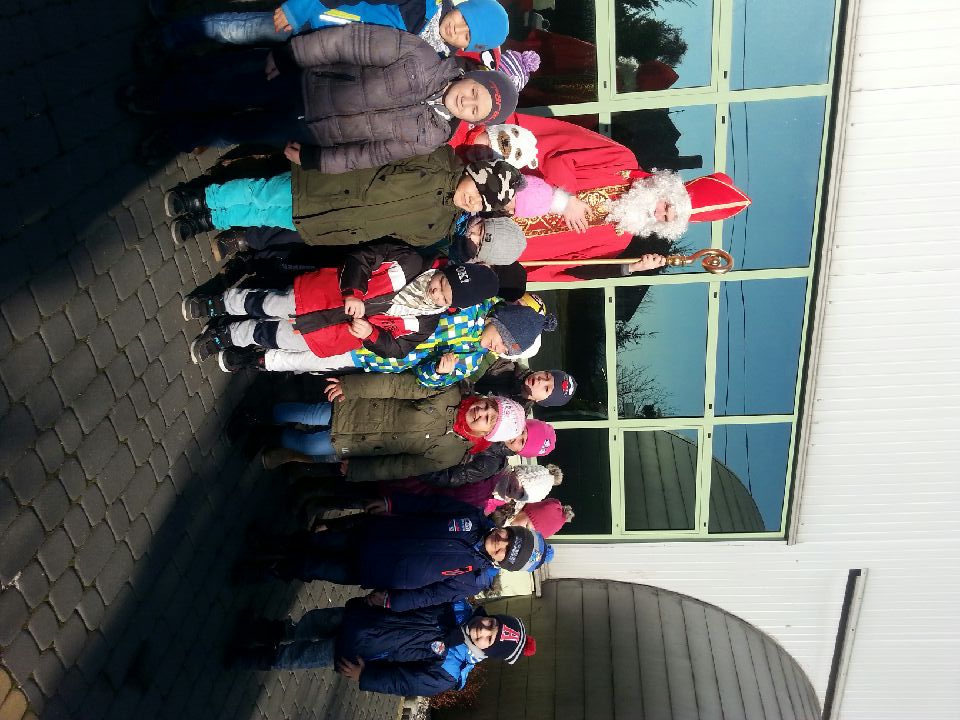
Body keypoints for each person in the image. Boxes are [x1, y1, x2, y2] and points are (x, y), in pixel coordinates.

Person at [126, 24, 519, 170]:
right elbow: (348, 42)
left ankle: (175, 137)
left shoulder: (432, 136)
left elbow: (371, 154)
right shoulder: (420, 54)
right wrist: (291, 54)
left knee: (237, 130)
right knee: (224, 87)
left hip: (312, 131)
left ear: (475, 122)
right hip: (302, 82)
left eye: (476, 111)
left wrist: (319, 160)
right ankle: (160, 96)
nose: (468, 103)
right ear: (472, 77)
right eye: (474, 93)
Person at [181, 242, 500, 370]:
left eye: (444, 299)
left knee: (270, 335)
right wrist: (353, 292)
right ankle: (219, 304)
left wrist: (370, 334)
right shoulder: (411, 261)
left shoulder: (426, 323)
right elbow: (363, 258)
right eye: (442, 284)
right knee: (267, 302)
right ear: (444, 271)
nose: (436, 294)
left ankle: (227, 336)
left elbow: (397, 348)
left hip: (331, 335)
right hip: (322, 296)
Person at [238, 493, 552, 610]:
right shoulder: (471, 518)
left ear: (501, 563)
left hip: (378, 572)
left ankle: (270, 571)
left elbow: (431, 596)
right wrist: (392, 503)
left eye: (505, 552)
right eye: (508, 536)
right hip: (373, 537)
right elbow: (429, 505)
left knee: (315, 568)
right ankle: (270, 543)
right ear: (507, 528)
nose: (501, 542)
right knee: (315, 542)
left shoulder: (472, 579)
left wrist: (393, 601)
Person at [164, 149, 524, 247]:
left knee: (267, 217)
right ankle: (201, 198)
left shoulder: (439, 227)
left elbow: (393, 235)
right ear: (474, 173)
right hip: (329, 185)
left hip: (336, 223)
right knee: (261, 193)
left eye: (482, 205)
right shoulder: (435, 158)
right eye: (478, 193)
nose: (474, 203)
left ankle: (212, 219)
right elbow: (376, 152)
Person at [229, 598, 535, 697]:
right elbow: (418, 594)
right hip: (364, 618)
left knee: (301, 656)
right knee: (313, 621)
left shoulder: (450, 670)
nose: (483, 629)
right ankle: (269, 631)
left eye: (489, 638)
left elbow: (404, 681)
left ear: (487, 651)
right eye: (491, 623)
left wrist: (366, 676)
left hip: (361, 653)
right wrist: (385, 596)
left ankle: (248, 657)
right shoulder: (458, 606)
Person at [259, 379, 529, 481]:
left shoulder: (453, 454)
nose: (481, 413)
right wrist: (351, 387)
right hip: (356, 409)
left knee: (308, 446)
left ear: (487, 434)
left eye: (488, 419)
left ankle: (273, 437)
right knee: (305, 413)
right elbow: (396, 386)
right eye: (487, 406)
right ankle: (262, 414)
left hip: (358, 443)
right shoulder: (449, 392)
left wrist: (359, 470)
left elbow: (402, 466)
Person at [149, 0, 508, 58]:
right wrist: (303, 5)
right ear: (462, 8)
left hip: (316, 49)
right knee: (243, 28)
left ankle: (180, 48)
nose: (458, 30)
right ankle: (173, 34)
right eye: (465, 20)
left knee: (243, 46)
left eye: (468, 35)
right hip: (314, 15)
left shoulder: (430, 58)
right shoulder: (420, 4)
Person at [467, 357, 576, 410]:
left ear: (541, 401)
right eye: (546, 375)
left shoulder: (515, 416)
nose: (541, 380)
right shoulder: (505, 366)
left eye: (546, 388)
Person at [507, 497, 574, 537]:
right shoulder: (558, 527)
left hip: (522, 518)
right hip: (526, 536)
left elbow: (534, 504)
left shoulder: (555, 504)